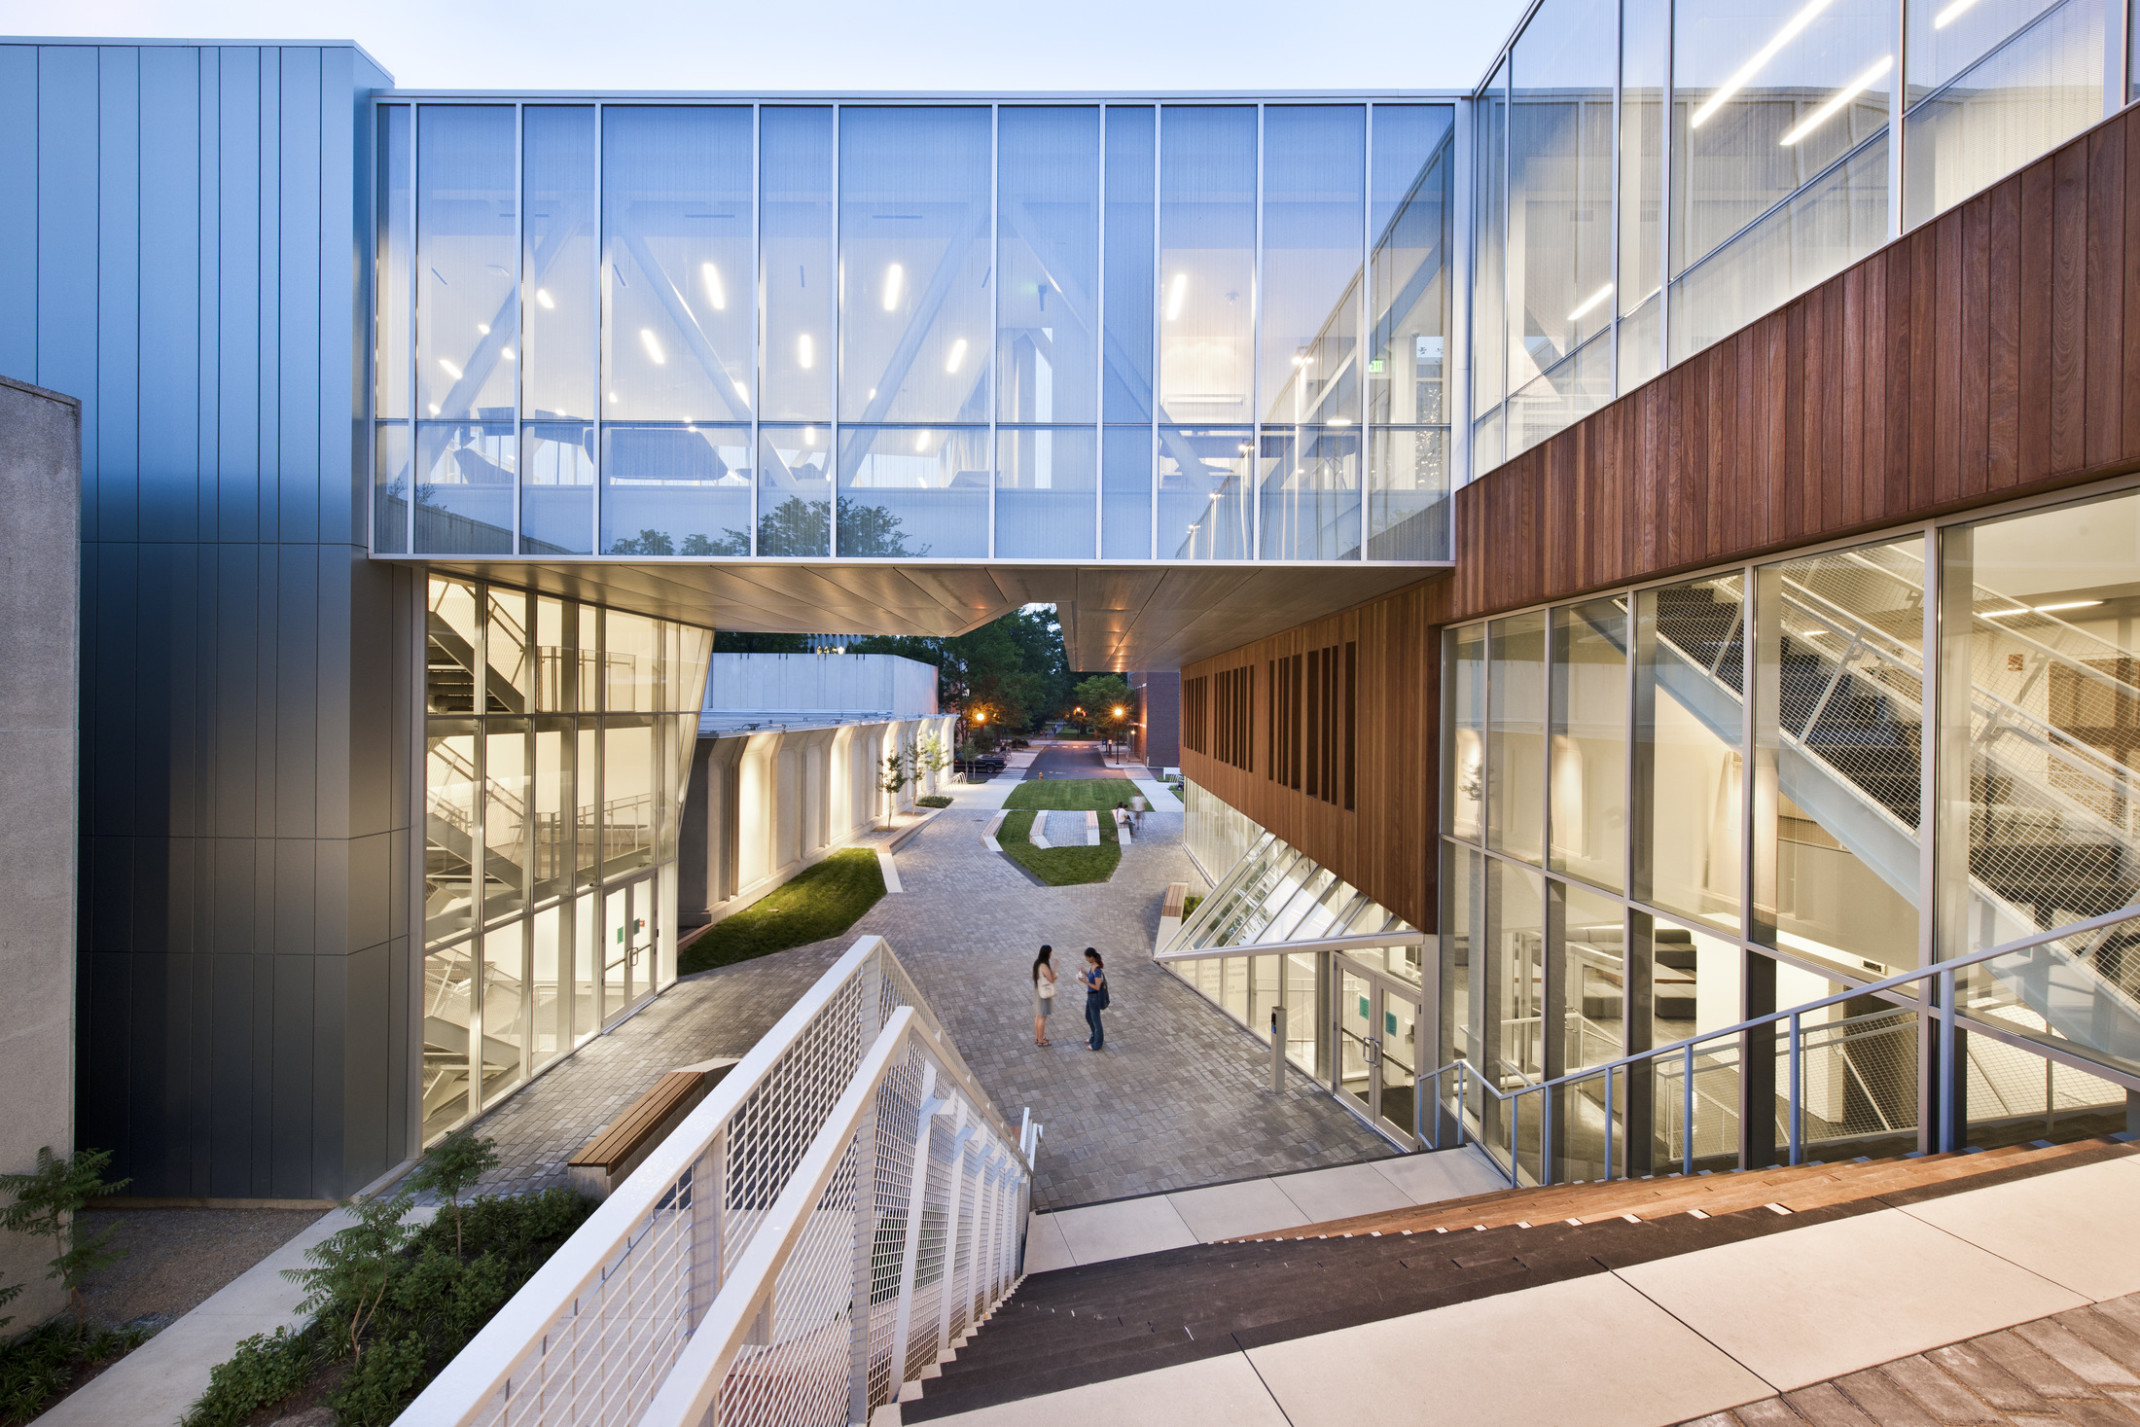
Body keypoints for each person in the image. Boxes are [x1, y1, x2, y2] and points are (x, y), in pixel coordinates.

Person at [1080, 948, 1108, 1051]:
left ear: (1091, 957)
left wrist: (1084, 982)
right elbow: (1091, 978)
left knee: (1096, 1021)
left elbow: (1097, 986)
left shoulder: (1097, 971)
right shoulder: (1092, 966)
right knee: (1088, 1017)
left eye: (1087, 957)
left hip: (1094, 997)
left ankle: (1097, 1043)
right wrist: (1085, 974)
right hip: (1090, 996)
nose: (1086, 959)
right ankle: (1094, 1036)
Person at [1031, 945, 1057, 1047]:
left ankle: (1038, 1037)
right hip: (1044, 994)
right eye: (1050, 952)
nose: (1051, 954)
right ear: (1047, 954)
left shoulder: (1037, 963)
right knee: (1042, 1017)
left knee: (1038, 1016)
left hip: (1038, 991)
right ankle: (1041, 1040)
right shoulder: (1044, 965)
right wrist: (1055, 968)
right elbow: (1051, 979)